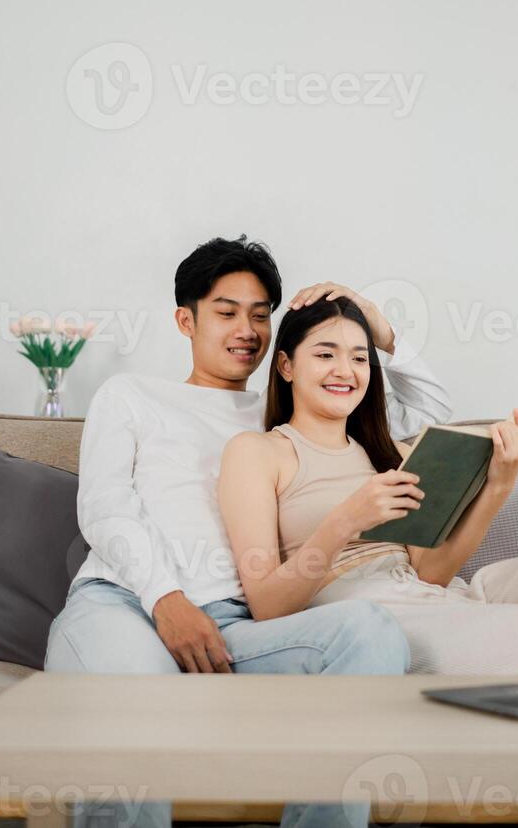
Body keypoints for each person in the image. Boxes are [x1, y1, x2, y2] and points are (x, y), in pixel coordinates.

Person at [45, 234, 453, 828]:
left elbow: (435, 415)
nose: (248, 330)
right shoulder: (132, 395)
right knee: (138, 715)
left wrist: (374, 321)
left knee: (370, 631)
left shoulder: (288, 412)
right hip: (126, 603)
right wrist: (167, 599)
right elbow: (106, 507)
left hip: (236, 624)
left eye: (261, 315)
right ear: (186, 320)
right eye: (227, 312)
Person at [218, 292, 518, 678]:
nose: (345, 370)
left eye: (359, 358)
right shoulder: (257, 452)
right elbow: (267, 606)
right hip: (370, 612)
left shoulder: (392, 453)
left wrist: (498, 485)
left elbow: (431, 573)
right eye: (325, 355)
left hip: (434, 594)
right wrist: (346, 520)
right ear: (286, 366)